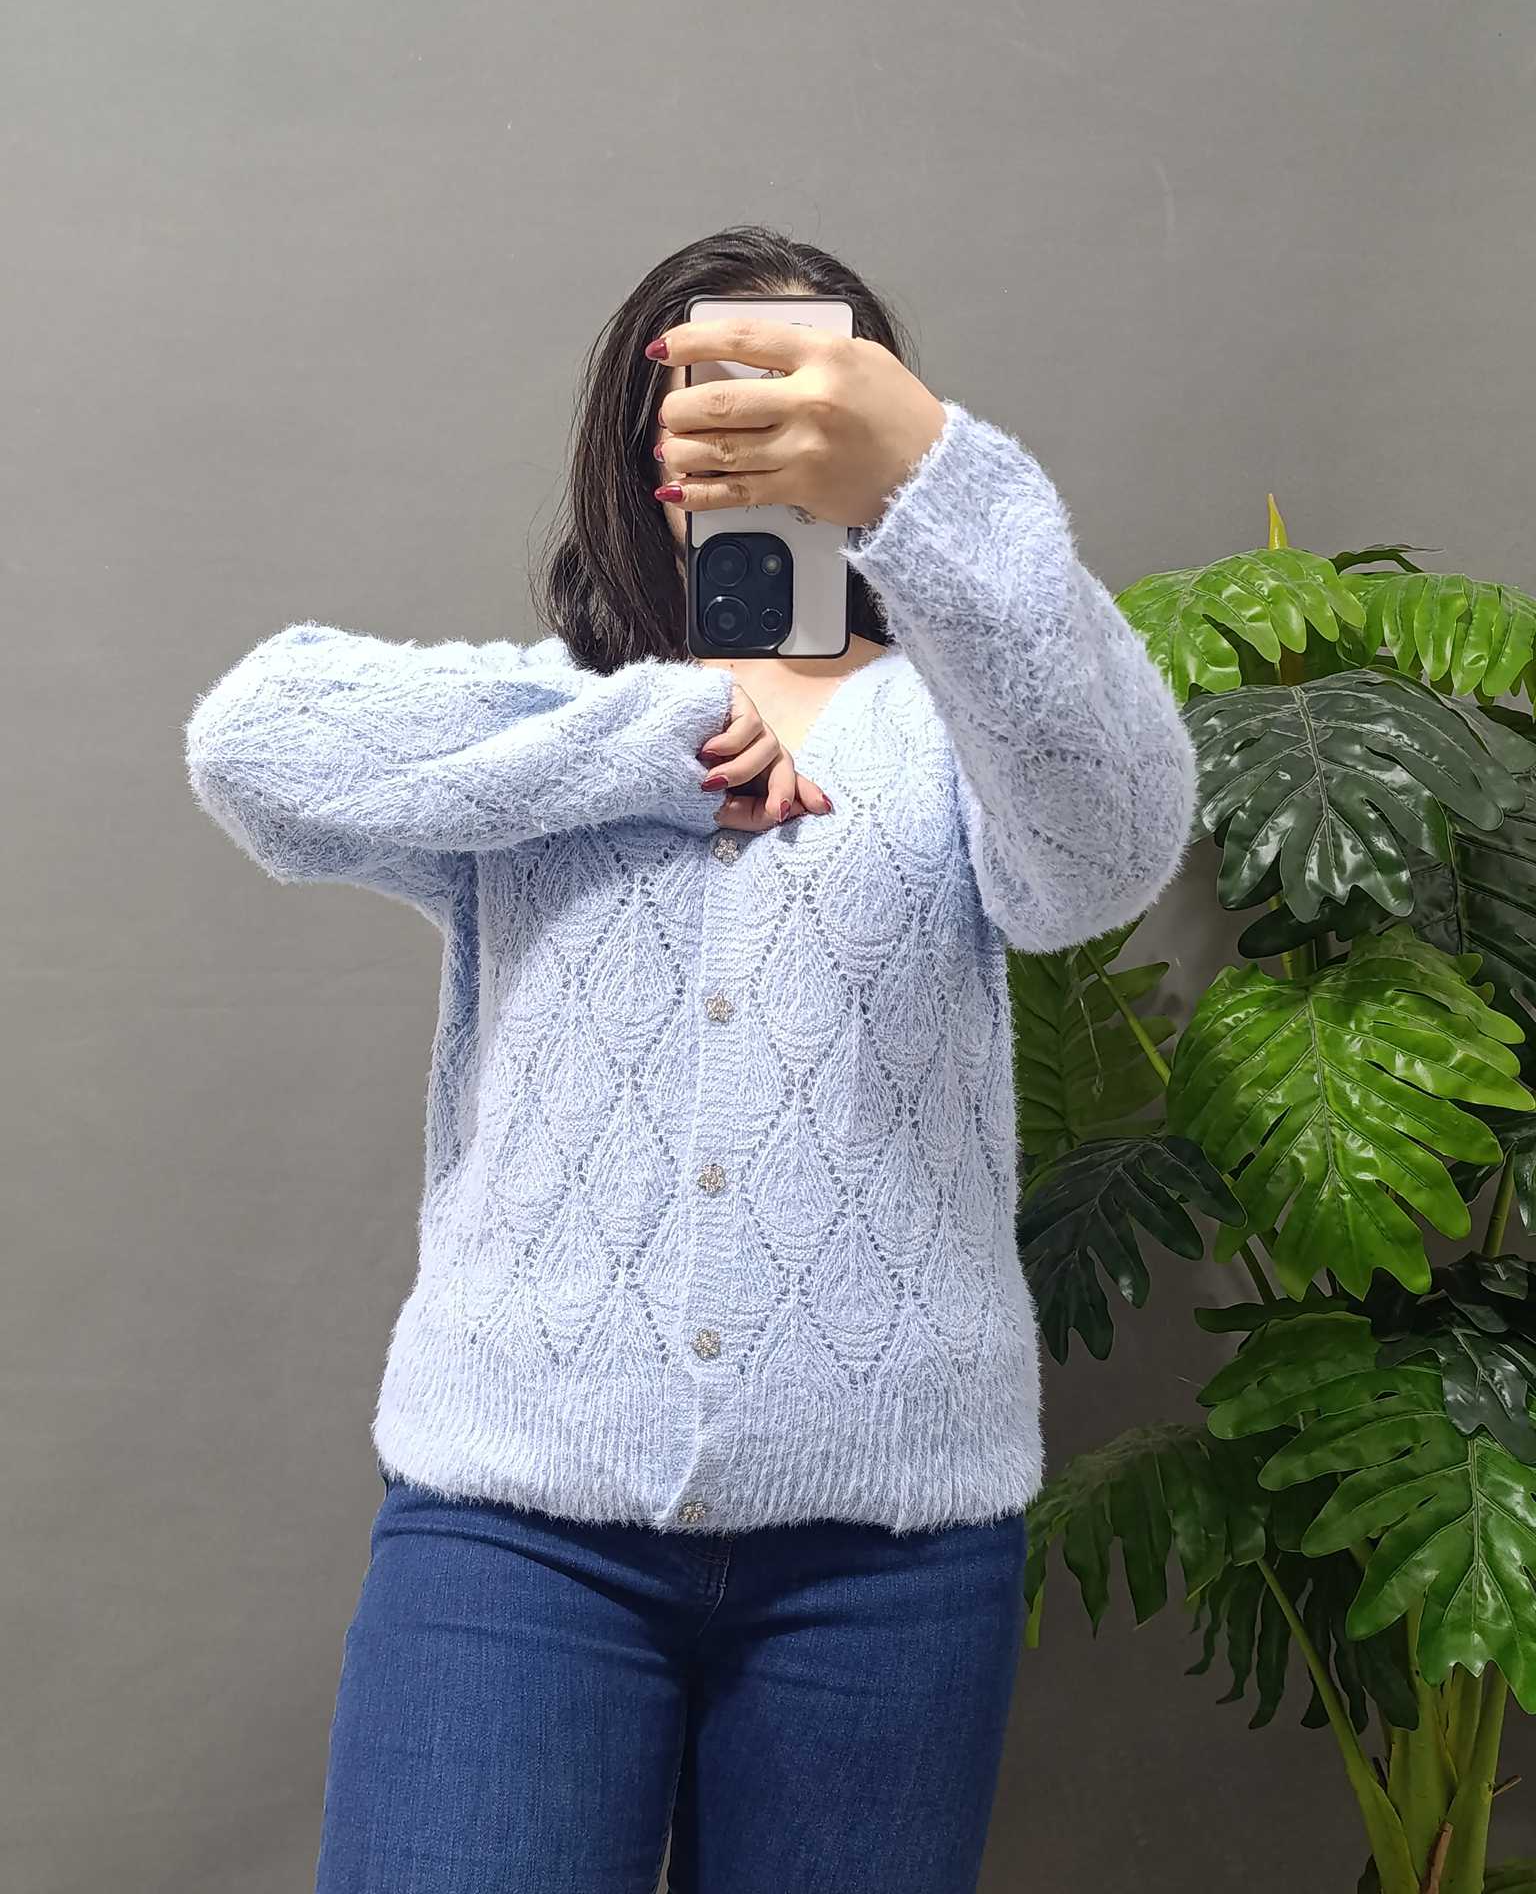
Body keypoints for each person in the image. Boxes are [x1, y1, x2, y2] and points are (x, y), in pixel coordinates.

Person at [181, 224, 1198, 1894]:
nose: (748, 418)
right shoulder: (546, 731)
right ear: (638, 444)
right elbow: (253, 742)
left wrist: (937, 481)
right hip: (516, 1527)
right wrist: (655, 740)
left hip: (889, 1544)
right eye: (707, 386)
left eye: (797, 384)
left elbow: (1105, 853)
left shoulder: (962, 731)